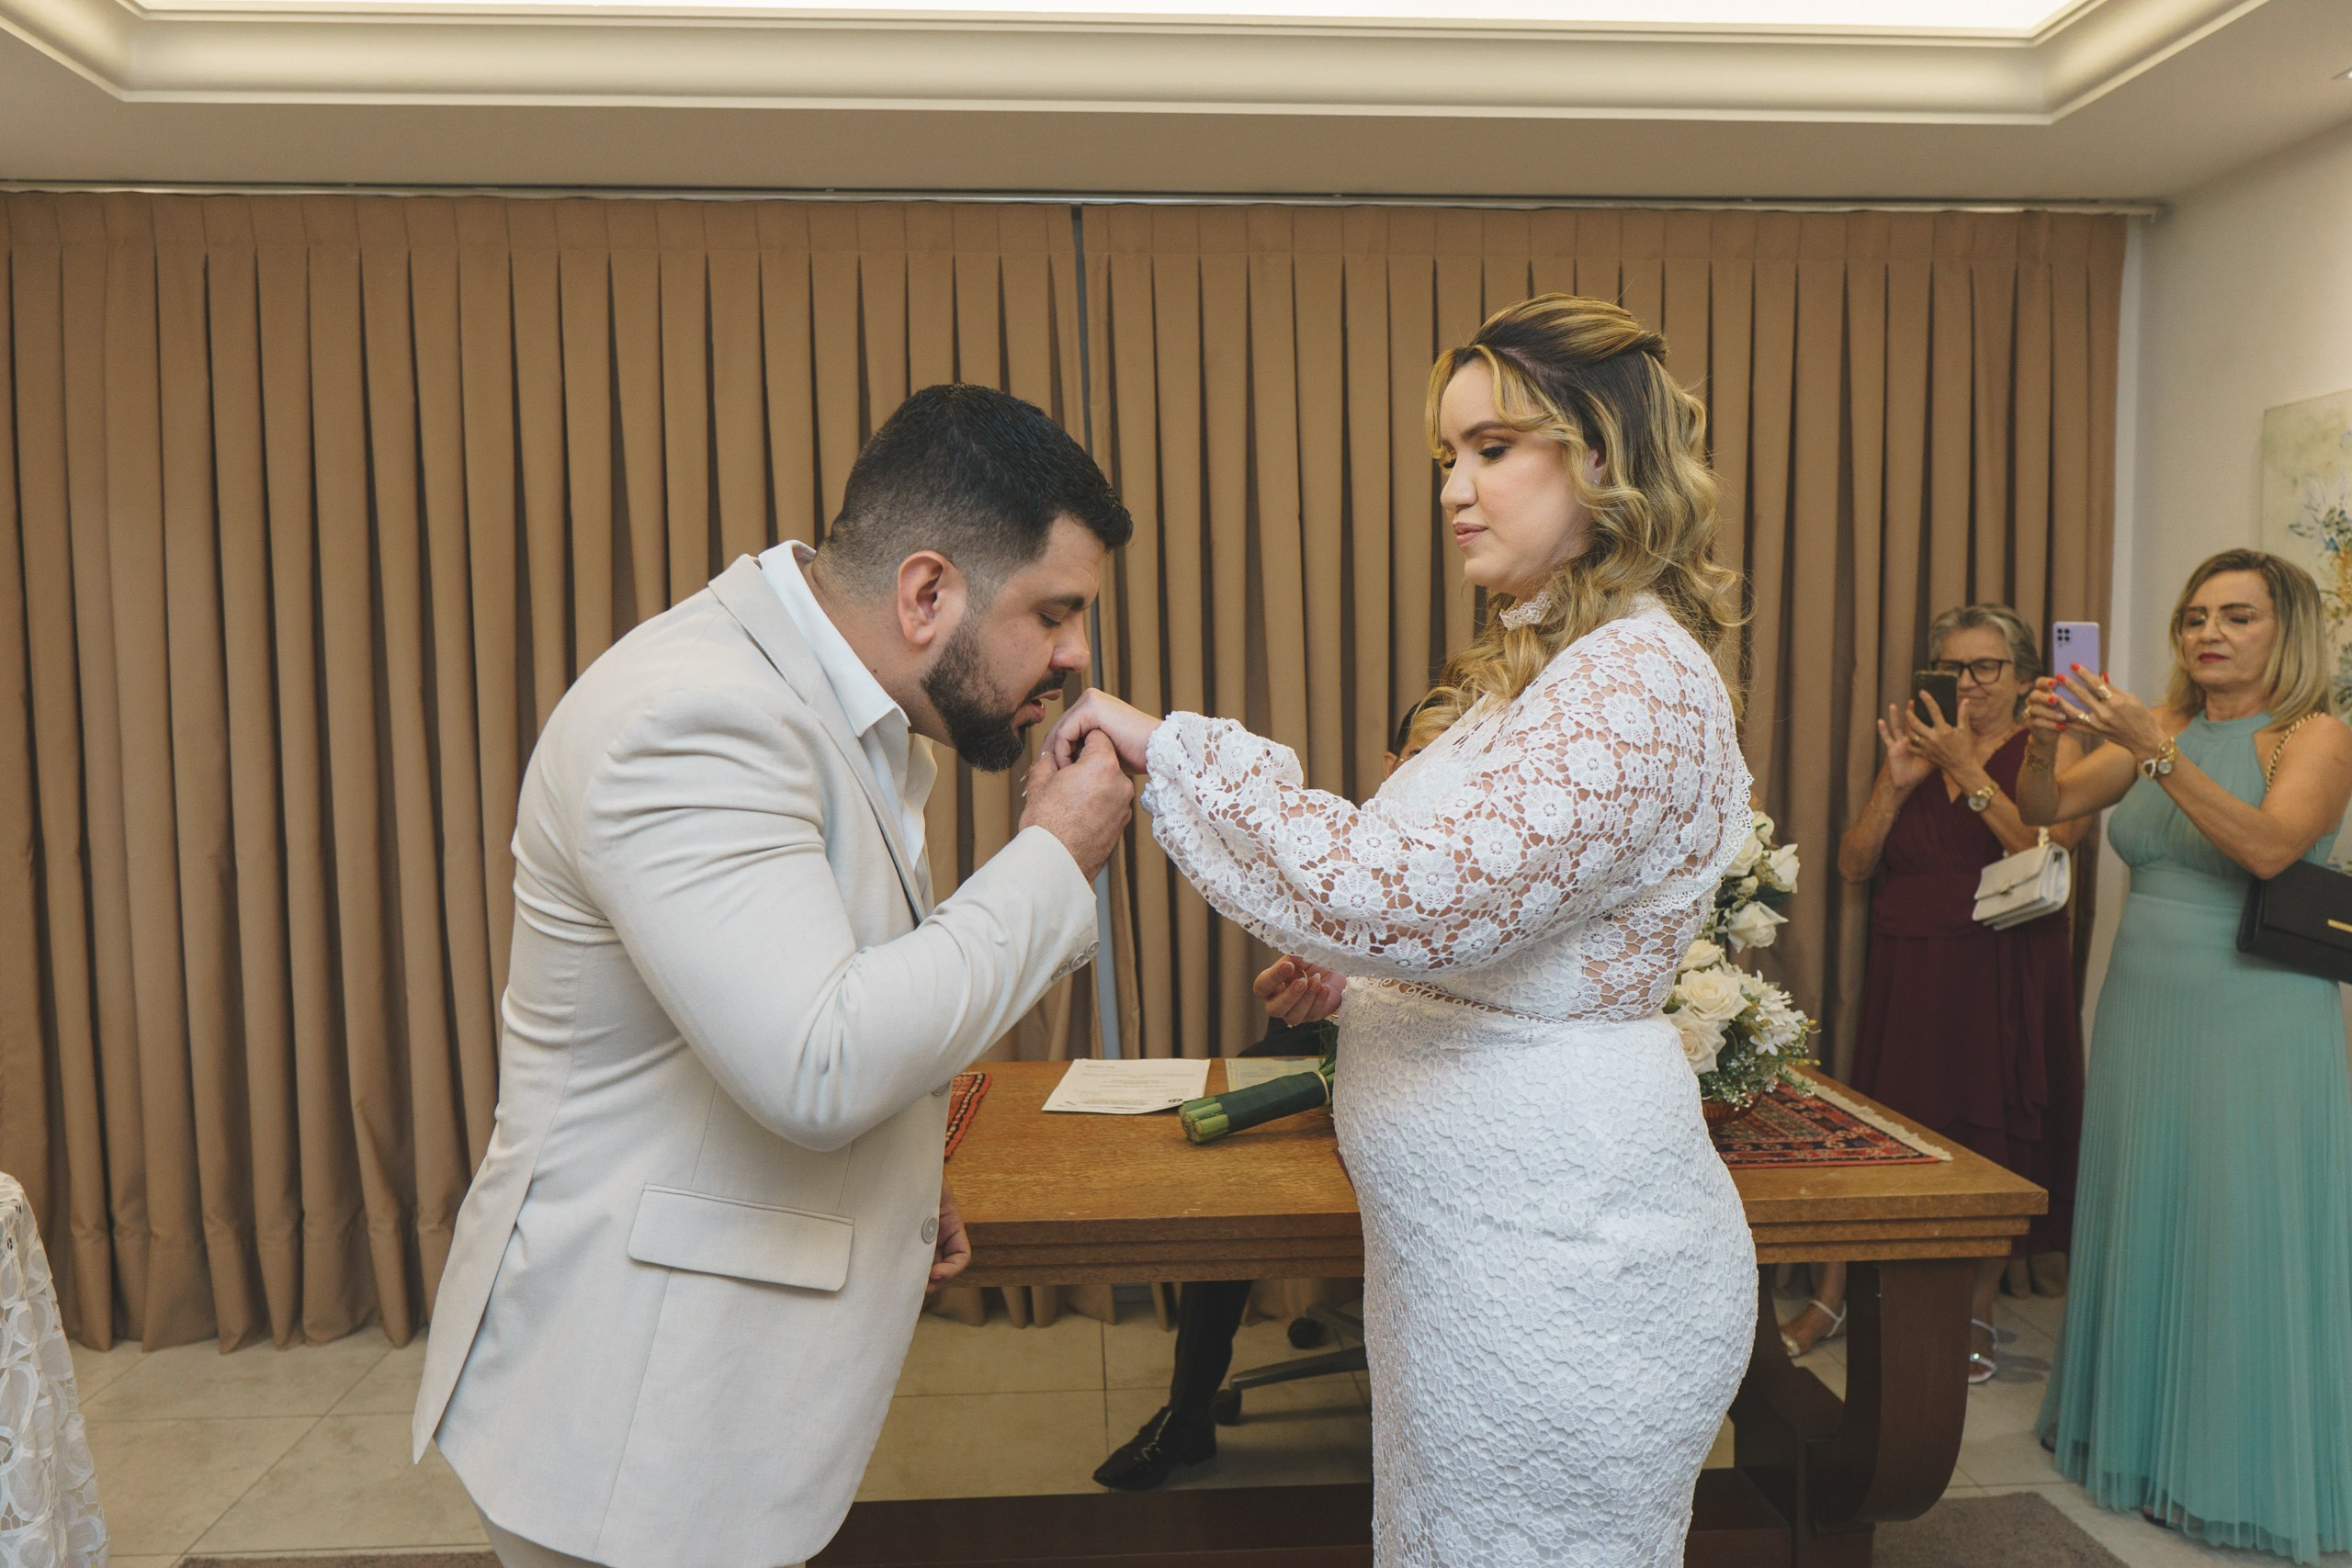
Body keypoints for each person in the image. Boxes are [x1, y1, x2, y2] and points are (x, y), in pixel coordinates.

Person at [1047, 294, 1757, 1566]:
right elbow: (1465, 911)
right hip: (1478, 1275)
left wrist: (1171, 748)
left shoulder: (1638, 676)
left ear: (1600, 453)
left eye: (1493, 447)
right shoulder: (1536, 671)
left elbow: (1404, 889)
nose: (1455, 489)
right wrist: (1367, 979)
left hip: (1564, 1277)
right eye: (1448, 458)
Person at [411, 385, 1138, 1568]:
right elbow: (817, 1061)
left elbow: (784, 1012)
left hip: (700, 1395)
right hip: (633, 1425)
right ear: (925, 593)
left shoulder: (844, 706)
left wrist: (890, 1183)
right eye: (1053, 612)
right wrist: (1055, 855)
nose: (1076, 656)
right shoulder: (696, 716)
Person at [2019, 548, 2352, 1562]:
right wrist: (2046, 743)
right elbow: (2046, 810)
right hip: (2143, 1007)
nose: (2207, 632)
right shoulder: (2157, 724)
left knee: (2233, 1221)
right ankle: (2139, 1441)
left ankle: (2228, 1466)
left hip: (2254, 1014)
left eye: (2237, 617)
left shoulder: (2315, 734)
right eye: (2194, 615)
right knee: (2147, 1203)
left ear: (2284, 631)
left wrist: (2153, 756)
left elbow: (2266, 849)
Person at [1092, 702, 1426, 1494]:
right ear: (1390, 761)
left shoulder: (1500, 845)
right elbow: (1294, 983)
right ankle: (1187, 1410)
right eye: (1422, 748)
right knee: (1227, 1190)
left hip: (1437, 1077)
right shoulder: (1356, 849)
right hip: (1324, 1052)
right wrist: (1312, 987)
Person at [1782, 606, 2089, 1381]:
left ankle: (1977, 1309)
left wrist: (1968, 769)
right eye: (1952, 667)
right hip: (1908, 965)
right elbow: (1854, 866)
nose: (1966, 683)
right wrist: (1894, 786)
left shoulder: (2051, 745)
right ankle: (1833, 1293)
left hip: (2001, 962)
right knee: (1877, 1131)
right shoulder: (1914, 748)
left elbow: (2045, 845)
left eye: (1985, 667)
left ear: (2024, 679)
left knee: (1993, 1136)